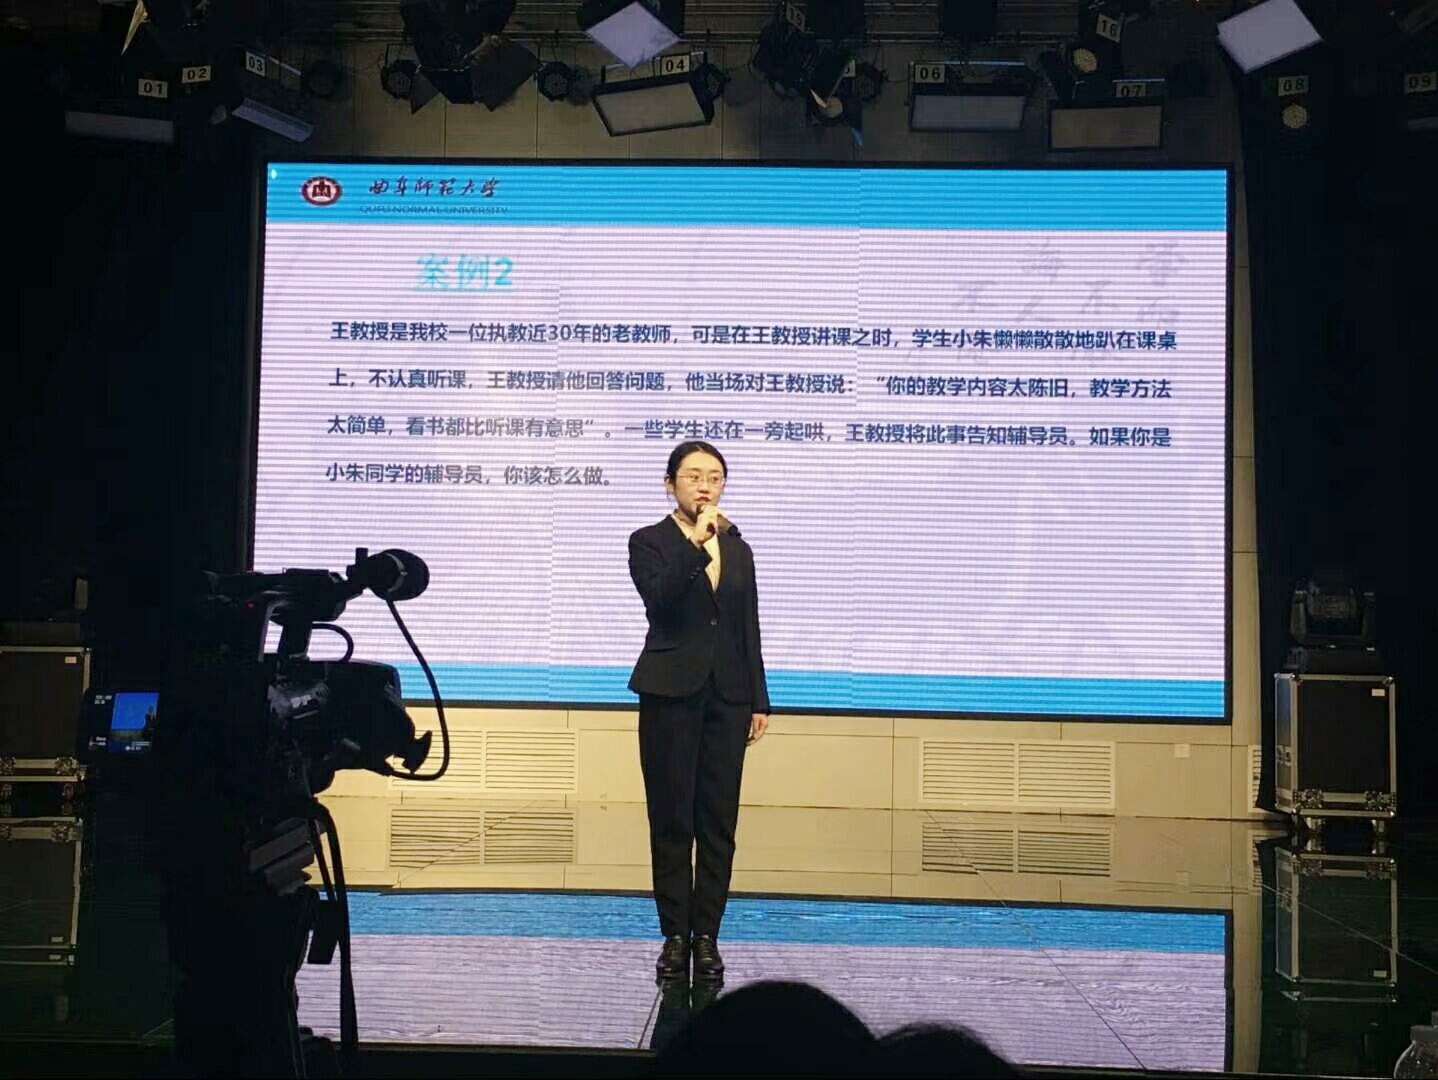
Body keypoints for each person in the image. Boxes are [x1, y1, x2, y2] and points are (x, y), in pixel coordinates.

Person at [628, 441, 770, 987]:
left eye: (714, 476)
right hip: (669, 693)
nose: (705, 485)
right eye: (692, 476)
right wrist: (697, 542)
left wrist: (759, 699)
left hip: (727, 696)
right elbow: (660, 601)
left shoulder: (739, 548)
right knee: (672, 820)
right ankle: (674, 936)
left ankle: (707, 935)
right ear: (671, 485)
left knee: (717, 822)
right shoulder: (650, 541)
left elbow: (746, 626)